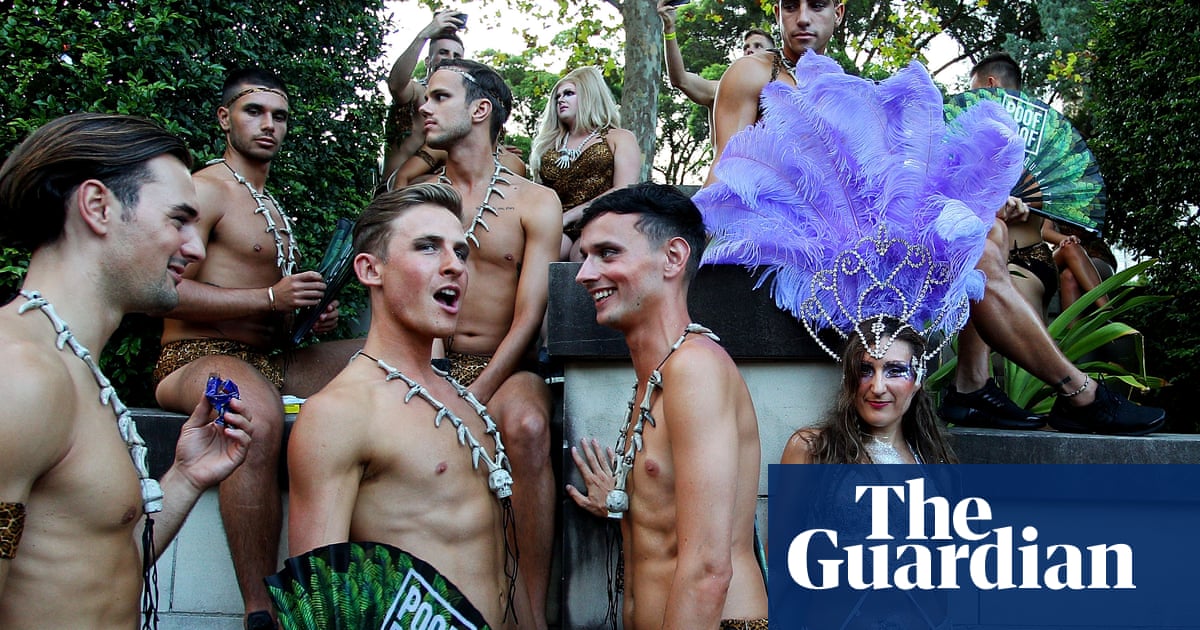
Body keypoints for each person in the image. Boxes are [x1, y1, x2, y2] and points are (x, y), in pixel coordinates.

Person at [705, 0, 1165, 436]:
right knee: (979, 253)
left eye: (817, 5)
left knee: (985, 227)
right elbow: (731, 174)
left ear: (839, 13)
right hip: (796, 244)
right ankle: (1076, 392)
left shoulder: (841, 82)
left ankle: (973, 381)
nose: (802, 17)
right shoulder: (754, 72)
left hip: (849, 235)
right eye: (790, 6)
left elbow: (871, 181)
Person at [0, 113, 252, 628]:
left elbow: (96, 568)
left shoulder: (74, 369)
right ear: (98, 207)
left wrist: (185, 477)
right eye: (177, 219)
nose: (196, 247)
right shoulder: (21, 373)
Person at [153, 68, 361, 630]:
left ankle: (364, 579)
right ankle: (261, 611)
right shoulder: (206, 189)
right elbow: (162, 291)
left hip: (274, 359)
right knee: (253, 413)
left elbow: (264, 308)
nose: (269, 124)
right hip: (195, 358)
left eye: (280, 116)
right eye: (254, 111)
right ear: (225, 118)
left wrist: (305, 317)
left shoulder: (267, 201)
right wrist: (271, 296)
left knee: (386, 364)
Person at [287, 183, 531, 628]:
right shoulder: (340, 412)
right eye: (427, 248)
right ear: (370, 270)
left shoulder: (461, 398)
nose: (453, 265)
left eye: (460, 252)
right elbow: (318, 608)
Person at [567, 183, 768, 629]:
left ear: (673, 258)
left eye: (608, 253)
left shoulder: (694, 370)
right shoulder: (661, 371)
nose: (584, 273)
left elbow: (707, 569)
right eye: (585, 255)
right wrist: (625, 499)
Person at [417, 57, 561, 630]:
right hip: (431, 362)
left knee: (526, 426)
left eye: (438, 97)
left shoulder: (535, 202)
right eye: (425, 98)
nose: (424, 108)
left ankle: (531, 613)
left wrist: (474, 390)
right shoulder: (419, 200)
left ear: (480, 110)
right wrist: (434, 379)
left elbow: (530, 312)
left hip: (506, 367)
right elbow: (413, 304)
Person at [782, 317, 957, 465]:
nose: (878, 388)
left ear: (917, 380)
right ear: (849, 377)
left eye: (895, 371)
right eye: (865, 370)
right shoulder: (811, 448)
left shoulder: (932, 461)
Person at [529, 66, 641, 260]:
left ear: (589, 96)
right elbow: (537, 192)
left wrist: (569, 216)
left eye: (569, 93)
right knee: (543, 254)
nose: (561, 100)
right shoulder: (547, 145)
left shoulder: (618, 137)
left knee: (585, 253)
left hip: (602, 219)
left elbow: (625, 189)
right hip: (555, 226)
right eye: (558, 97)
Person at [384, 9, 467, 184]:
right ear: (428, 61)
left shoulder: (462, 104)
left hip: (439, 197)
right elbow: (396, 85)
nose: (450, 59)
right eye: (443, 52)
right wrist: (423, 36)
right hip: (394, 196)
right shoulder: (418, 92)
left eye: (457, 56)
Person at [657, 0, 775, 110]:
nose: (749, 50)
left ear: (774, 56)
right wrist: (669, 29)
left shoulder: (784, 98)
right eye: (746, 47)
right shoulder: (723, 90)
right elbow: (680, 80)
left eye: (758, 46)